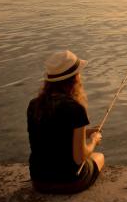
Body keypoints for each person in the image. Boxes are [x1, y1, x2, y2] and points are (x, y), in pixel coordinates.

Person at [27, 50, 105, 194]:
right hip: (69, 182)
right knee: (99, 157)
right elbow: (79, 157)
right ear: (74, 78)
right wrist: (93, 140)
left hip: (39, 181)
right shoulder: (75, 109)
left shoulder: (34, 105)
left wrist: (86, 132)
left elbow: (51, 134)